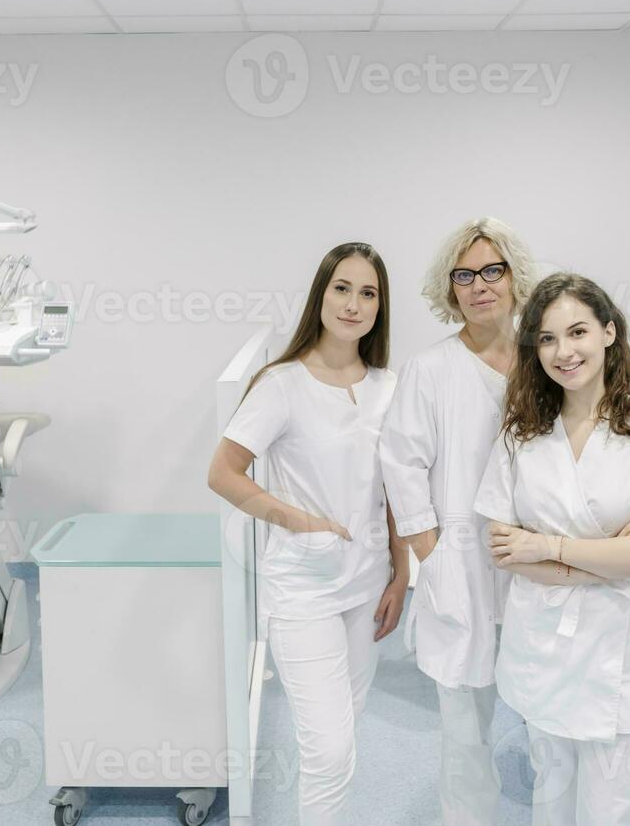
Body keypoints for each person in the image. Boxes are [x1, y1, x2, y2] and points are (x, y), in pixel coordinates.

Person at [473, 272, 630, 825]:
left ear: (608, 332)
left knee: (615, 813)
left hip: (625, 662)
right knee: (551, 807)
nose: (563, 351)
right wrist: (604, 559)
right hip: (544, 653)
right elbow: (505, 550)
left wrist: (547, 547)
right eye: (547, 338)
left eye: (577, 331)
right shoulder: (521, 432)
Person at [206, 242, 409, 826]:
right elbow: (222, 473)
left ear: (380, 307)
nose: (353, 303)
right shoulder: (281, 384)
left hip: (368, 587)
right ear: (321, 294)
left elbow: (396, 490)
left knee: (344, 737)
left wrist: (401, 573)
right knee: (329, 749)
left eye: (367, 293)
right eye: (341, 288)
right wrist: (299, 520)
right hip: (305, 588)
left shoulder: (389, 387)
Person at [378, 217, 535, 825]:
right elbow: (402, 463)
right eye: (464, 275)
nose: (479, 285)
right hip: (461, 564)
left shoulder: (546, 358)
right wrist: (431, 553)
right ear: (451, 290)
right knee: (465, 725)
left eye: (492, 270)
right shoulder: (431, 369)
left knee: (546, 718)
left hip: (539, 561)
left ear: (515, 278)